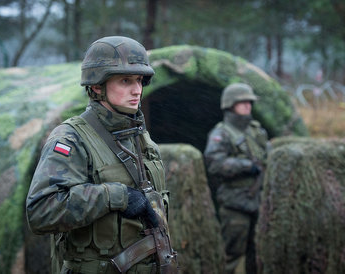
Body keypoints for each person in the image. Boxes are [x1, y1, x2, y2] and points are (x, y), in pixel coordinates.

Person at [26, 36, 178, 274]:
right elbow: (41, 210)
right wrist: (116, 196)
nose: (137, 90)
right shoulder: (71, 139)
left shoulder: (139, 136)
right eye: (126, 80)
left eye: (139, 80)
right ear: (97, 86)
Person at [204, 83, 270, 274]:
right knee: (232, 255)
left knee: (257, 253)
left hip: (258, 201)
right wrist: (246, 166)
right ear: (230, 105)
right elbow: (214, 163)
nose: (248, 106)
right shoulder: (221, 133)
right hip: (235, 205)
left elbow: (267, 155)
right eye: (243, 102)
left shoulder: (256, 131)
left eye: (249, 102)